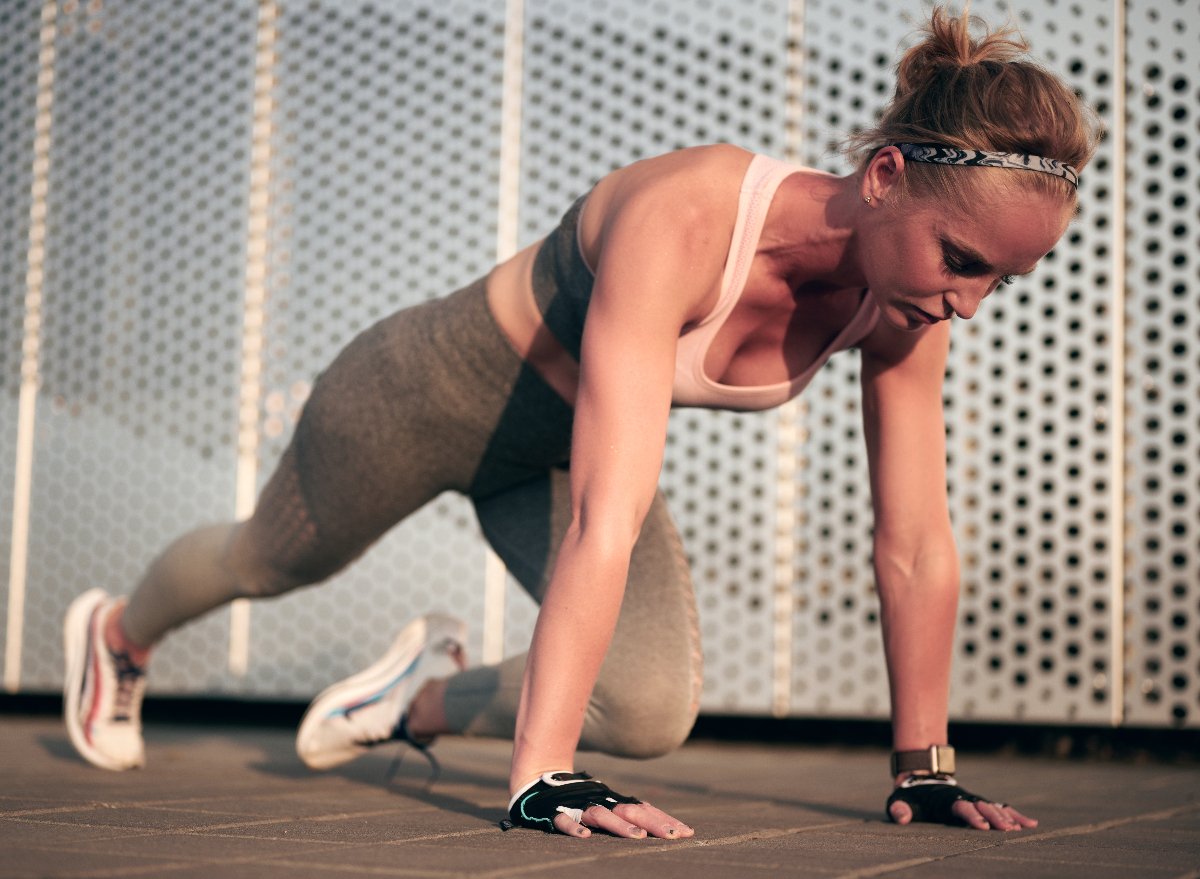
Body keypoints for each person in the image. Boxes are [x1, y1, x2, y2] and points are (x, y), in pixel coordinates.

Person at [62, 6, 1100, 839]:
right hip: (427, 396)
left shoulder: (909, 308)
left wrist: (924, 773)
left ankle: (416, 703)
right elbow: (611, 512)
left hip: (549, 458)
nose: (969, 303)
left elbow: (916, 545)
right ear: (884, 178)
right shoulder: (690, 213)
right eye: (963, 261)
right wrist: (542, 777)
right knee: (267, 562)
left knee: (647, 707)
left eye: (1003, 282)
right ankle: (119, 637)